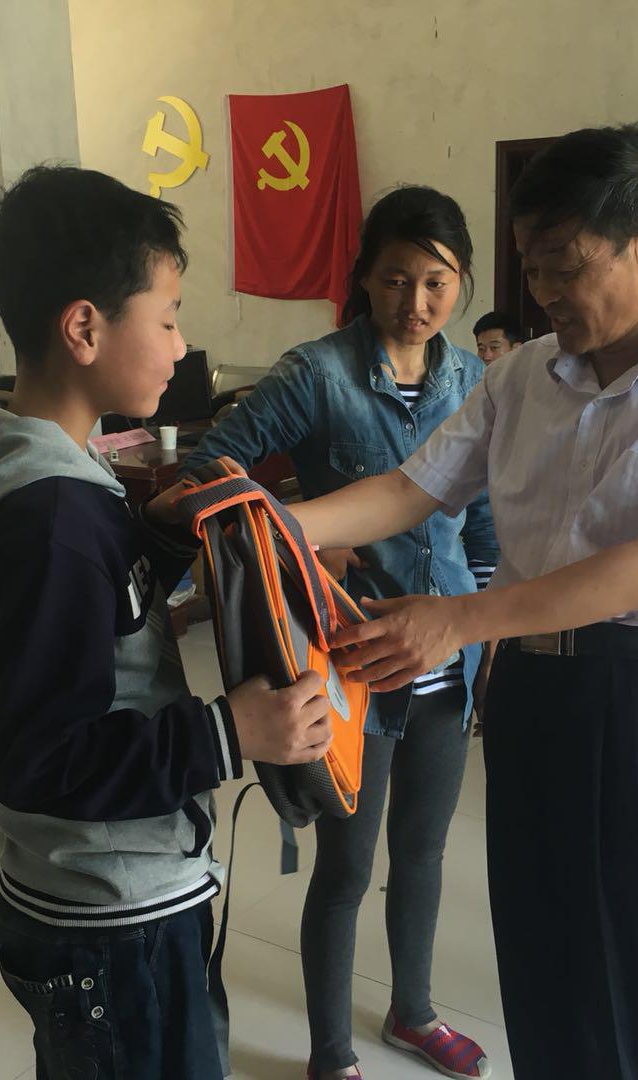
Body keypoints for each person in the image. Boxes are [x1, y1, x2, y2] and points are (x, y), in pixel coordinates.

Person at [284, 124, 638, 1079]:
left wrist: (458, 621)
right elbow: (408, 488)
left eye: (565, 264)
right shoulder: (521, 375)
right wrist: (271, 524)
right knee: (542, 956)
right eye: (531, 266)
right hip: (530, 695)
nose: (544, 292)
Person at [0, 166, 332, 1080]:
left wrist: (154, 539)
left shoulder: (14, 456)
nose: (181, 346)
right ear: (84, 328)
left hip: (84, 882)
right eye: (170, 317)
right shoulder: (52, 518)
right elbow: (39, 755)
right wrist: (232, 732)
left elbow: (82, 617)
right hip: (111, 914)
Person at [175, 185, 497, 1080]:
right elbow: (210, 472)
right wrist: (303, 549)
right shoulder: (318, 373)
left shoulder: (474, 382)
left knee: (424, 853)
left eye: (437, 282)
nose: (416, 302)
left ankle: (413, 1014)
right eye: (395, 279)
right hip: (348, 667)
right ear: (364, 278)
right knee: (347, 867)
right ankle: (331, 1053)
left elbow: (481, 525)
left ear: (461, 282)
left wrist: (483, 637)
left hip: (445, 663)